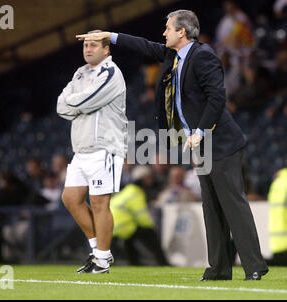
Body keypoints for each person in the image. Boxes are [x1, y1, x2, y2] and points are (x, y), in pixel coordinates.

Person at [76, 10, 268, 280]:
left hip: (221, 143)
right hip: (202, 147)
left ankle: (254, 267)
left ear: (182, 31)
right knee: (211, 208)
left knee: (233, 205)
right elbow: (144, 45)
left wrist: (201, 130)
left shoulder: (203, 55)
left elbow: (217, 97)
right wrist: (110, 36)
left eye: (168, 28)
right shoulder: (173, 56)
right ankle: (219, 270)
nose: (164, 33)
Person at [57, 30, 128, 274]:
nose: (88, 49)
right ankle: (98, 251)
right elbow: (60, 105)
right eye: (86, 45)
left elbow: (85, 101)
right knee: (70, 199)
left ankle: (102, 258)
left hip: (105, 147)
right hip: (82, 149)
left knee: (99, 203)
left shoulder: (111, 73)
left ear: (106, 49)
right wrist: (79, 103)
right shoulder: (80, 73)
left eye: (94, 45)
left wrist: (76, 103)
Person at [110, 165, 169, 266]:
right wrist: (152, 226)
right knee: (149, 233)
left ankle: (134, 262)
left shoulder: (127, 191)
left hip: (112, 227)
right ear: (144, 179)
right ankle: (163, 262)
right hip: (122, 226)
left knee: (130, 238)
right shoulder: (136, 193)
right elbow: (141, 216)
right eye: (150, 177)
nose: (151, 180)